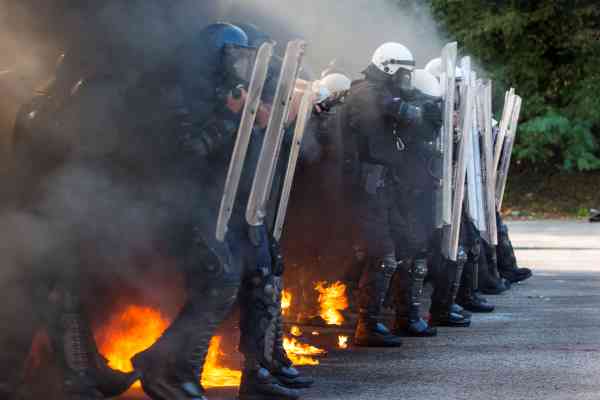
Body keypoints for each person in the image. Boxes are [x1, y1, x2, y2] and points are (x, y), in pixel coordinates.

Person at [344, 42, 440, 345]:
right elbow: (394, 108)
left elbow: (411, 110)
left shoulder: (387, 92)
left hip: (387, 187)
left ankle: (406, 317)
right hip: (365, 190)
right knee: (382, 254)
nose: (406, 78)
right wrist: (413, 108)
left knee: (410, 245)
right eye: (403, 72)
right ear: (388, 67)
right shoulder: (364, 93)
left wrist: (429, 106)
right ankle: (367, 326)